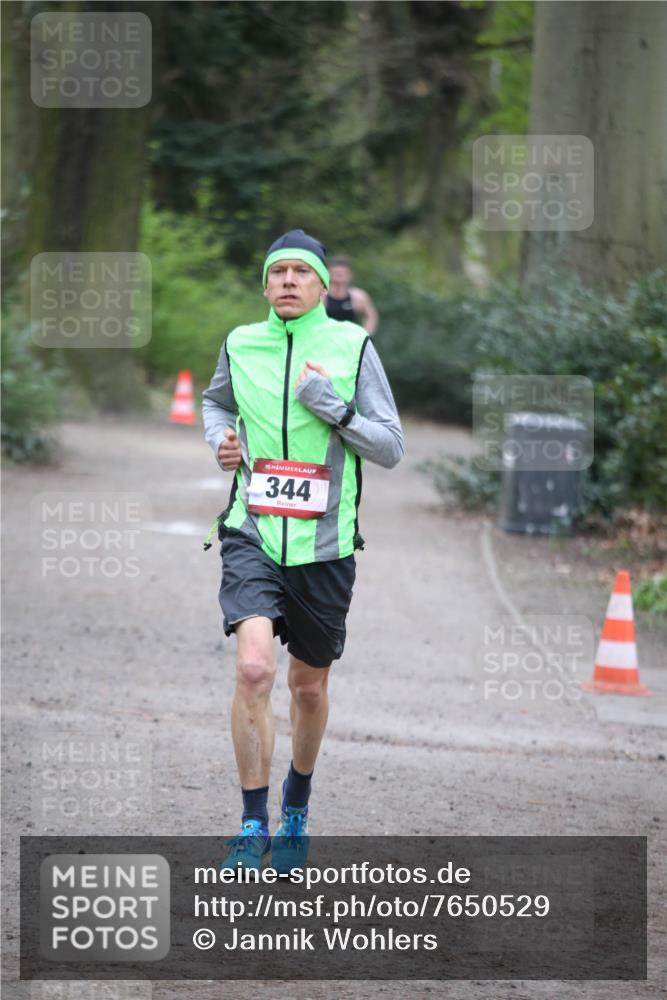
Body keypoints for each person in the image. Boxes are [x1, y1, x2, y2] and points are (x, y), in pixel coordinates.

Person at [202, 229, 403, 872]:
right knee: (255, 670)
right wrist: (221, 441)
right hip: (252, 530)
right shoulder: (241, 343)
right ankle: (250, 823)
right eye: (277, 271)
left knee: (307, 687)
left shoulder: (352, 346)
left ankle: (297, 805)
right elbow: (214, 404)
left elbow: (391, 446)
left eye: (301, 272)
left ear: (323, 286)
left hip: (325, 545)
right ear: (265, 285)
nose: (288, 280)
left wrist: (332, 406)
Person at [325, 255, 379, 334]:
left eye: (342, 273)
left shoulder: (358, 296)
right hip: (326, 339)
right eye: (336, 273)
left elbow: (371, 316)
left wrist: (365, 335)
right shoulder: (320, 296)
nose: (339, 276)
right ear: (328, 274)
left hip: (349, 339)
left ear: (349, 275)